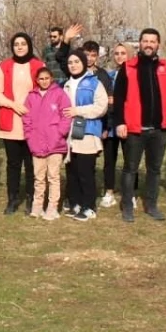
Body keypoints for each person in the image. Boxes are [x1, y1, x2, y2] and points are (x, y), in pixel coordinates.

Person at [110, 29, 166, 223]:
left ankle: (151, 205)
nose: (149, 44)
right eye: (145, 41)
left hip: (158, 130)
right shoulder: (128, 68)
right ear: (140, 44)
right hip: (135, 130)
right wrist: (119, 122)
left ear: (158, 44)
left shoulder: (165, 68)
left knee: (155, 169)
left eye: (153, 41)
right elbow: (118, 99)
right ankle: (127, 206)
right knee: (130, 169)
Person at [0, 32, 44, 215]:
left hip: (32, 123)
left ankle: (31, 198)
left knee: (31, 164)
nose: (20, 47)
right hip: (11, 123)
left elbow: (45, 91)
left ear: (29, 45)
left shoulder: (39, 66)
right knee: (13, 164)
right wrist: (14, 105)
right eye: (16, 44)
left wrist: (30, 107)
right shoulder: (4, 66)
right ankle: (12, 199)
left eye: (23, 43)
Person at [61, 52, 109, 221]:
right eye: (70, 62)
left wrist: (78, 111)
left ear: (83, 63)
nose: (73, 65)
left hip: (87, 132)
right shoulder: (66, 84)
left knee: (85, 171)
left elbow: (101, 107)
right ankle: (75, 203)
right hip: (70, 135)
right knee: (72, 171)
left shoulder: (94, 83)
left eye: (76, 61)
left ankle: (89, 207)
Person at [23, 67, 72, 220]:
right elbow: (26, 119)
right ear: (37, 80)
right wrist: (29, 136)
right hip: (36, 143)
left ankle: (52, 207)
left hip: (55, 144)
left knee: (53, 176)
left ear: (51, 78)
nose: (44, 81)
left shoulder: (59, 94)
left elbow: (66, 116)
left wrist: (59, 133)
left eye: (46, 78)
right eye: (41, 79)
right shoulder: (31, 97)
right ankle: (37, 206)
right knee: (39, 177)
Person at [101, 43, 130, 209]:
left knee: (129, 160)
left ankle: (129, 193)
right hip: (111, 123)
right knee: (109, 160)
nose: (120, 56)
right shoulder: (109, 75)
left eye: (123, 53)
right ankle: (109, 191)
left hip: (127, 123)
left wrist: (119, 101)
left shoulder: (134, 75)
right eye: (117, 53)